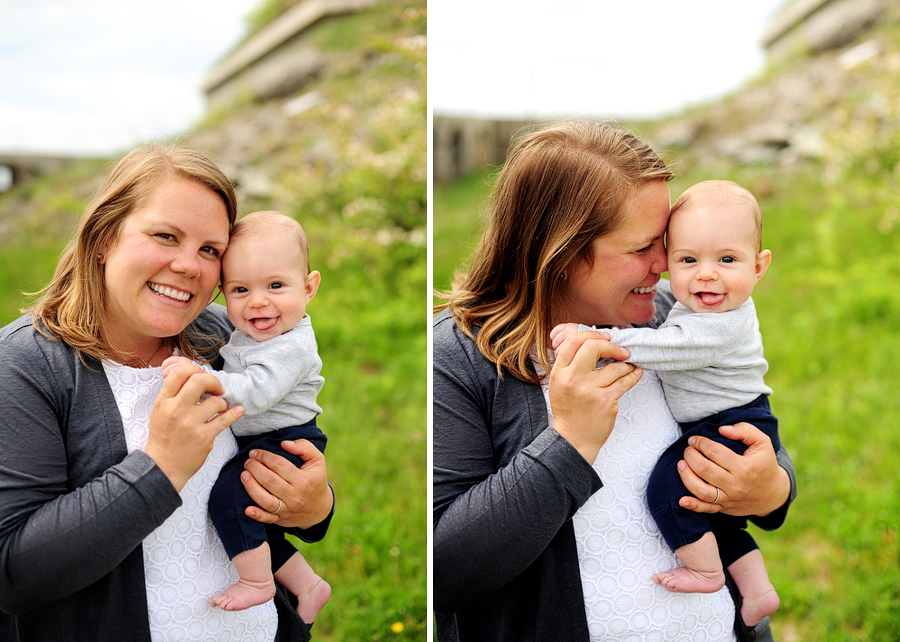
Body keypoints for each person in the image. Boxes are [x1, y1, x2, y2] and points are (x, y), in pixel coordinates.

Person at [433, 121, 797, 642]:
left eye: (667, 243)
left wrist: (770, 488)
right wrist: (569, 441)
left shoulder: (671, 315)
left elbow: (746, 423)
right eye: (643, 248)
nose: (666, 267)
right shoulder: (459, 358)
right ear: (558, 254)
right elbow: (443, 571)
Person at [0, 144, 335, 642]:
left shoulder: (222, 335)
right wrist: (162, 466)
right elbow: (13, 574)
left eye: (209, 250)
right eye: (165, 236)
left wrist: (315, 507)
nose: (188, 266)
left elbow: (274, 466)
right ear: (104, 237)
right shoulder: (26, 364)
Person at [551, 179, 780, 627]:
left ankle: (707, 571)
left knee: (669, 490)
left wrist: (599, 338)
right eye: (688, 260)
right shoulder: (699, 305)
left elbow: (669, 347)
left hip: (731, 423)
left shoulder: (717, 324)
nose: (706, 274)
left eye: (727, 260)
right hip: (729, 418)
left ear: (759, 266)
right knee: (719, 520)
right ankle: (757, 590)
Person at [162, 210, 331, 622]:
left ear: (309, 288)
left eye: (275, 285)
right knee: (259, 526)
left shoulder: (291, 345)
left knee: (229, 500)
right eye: (240, 289)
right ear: (223, 292)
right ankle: (309, 585)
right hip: (265, 435)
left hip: (285, 439)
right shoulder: (250, 331)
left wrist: (202, 375)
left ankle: (258, 584)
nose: (257, 301)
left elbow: (254, 393)